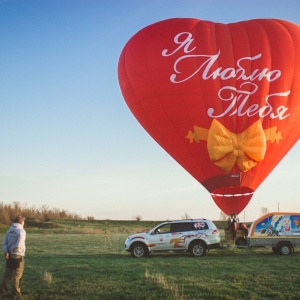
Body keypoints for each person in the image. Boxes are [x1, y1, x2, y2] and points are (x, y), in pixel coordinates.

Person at [0, 216, 26, 299]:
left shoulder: (9, 231)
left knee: (7, 275)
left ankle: (2, 293)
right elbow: (19, 244)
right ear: (21, 222)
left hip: (9, 255)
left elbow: (4, 244)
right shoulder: (21, 231)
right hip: (18, 255)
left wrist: (6, 252)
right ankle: (16, 294)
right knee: (17, 275)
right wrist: (11, 250)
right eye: (23, 221)